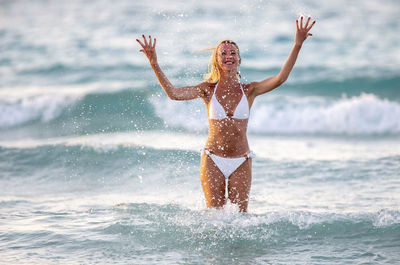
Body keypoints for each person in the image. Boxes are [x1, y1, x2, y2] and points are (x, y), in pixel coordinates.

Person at [137, 16, 315, 212]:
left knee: (240, 219)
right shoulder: (207, 90)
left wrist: (297, 44)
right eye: (223, 53)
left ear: (239, 59)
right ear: (216, 60)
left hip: (242, 160)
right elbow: (174, 94)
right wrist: (154, 63)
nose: (228, 55)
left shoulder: (250, 90)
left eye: (233, 53)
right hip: (213, 159)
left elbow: (281, 78)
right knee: (214, 219)